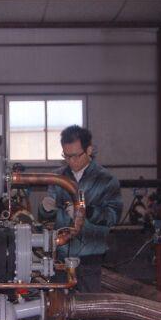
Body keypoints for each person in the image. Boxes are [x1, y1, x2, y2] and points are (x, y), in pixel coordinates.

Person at [39, 125, 123, 293]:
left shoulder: (106, 180)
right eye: (66, 156)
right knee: (60, 303)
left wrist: (87, 212)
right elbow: (46, 219)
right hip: (61, 256)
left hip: (90, 256)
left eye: (75, 156)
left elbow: (113, 216)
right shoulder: (58, 178)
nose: (71, 161)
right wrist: (45, 209)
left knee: (90, 303)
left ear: (89, 150)